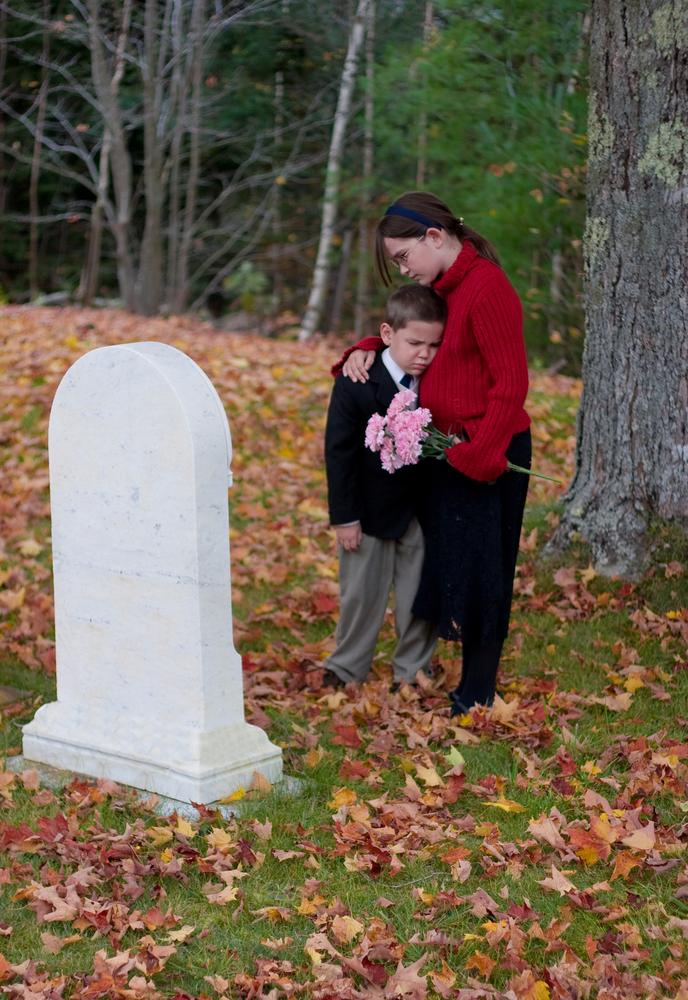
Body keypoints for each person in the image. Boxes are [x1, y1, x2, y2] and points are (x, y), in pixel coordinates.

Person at [333, 191, 531, 714]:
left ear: (435, 238)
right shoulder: (446, 286)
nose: (403, 269)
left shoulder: (486, 287)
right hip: (451, 451)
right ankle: (455, 677)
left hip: (487, 447)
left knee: (486, 567)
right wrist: (368, 347)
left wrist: (483, 454)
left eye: (404, 257)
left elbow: (511, 385)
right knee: (455, 564)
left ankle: (479, 690)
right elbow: (415, 329)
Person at [324, 284, 446, 688]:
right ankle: (346, 668)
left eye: (433, 344)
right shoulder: (357, 379)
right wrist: (345, 517)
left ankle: (413, 671)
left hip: (422, 509)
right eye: (415, 343)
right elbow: (339, 453)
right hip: (368, 510)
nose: (424, 354)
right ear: (387, 334)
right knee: (361, 594)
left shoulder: (438, 379)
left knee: (418, 596)